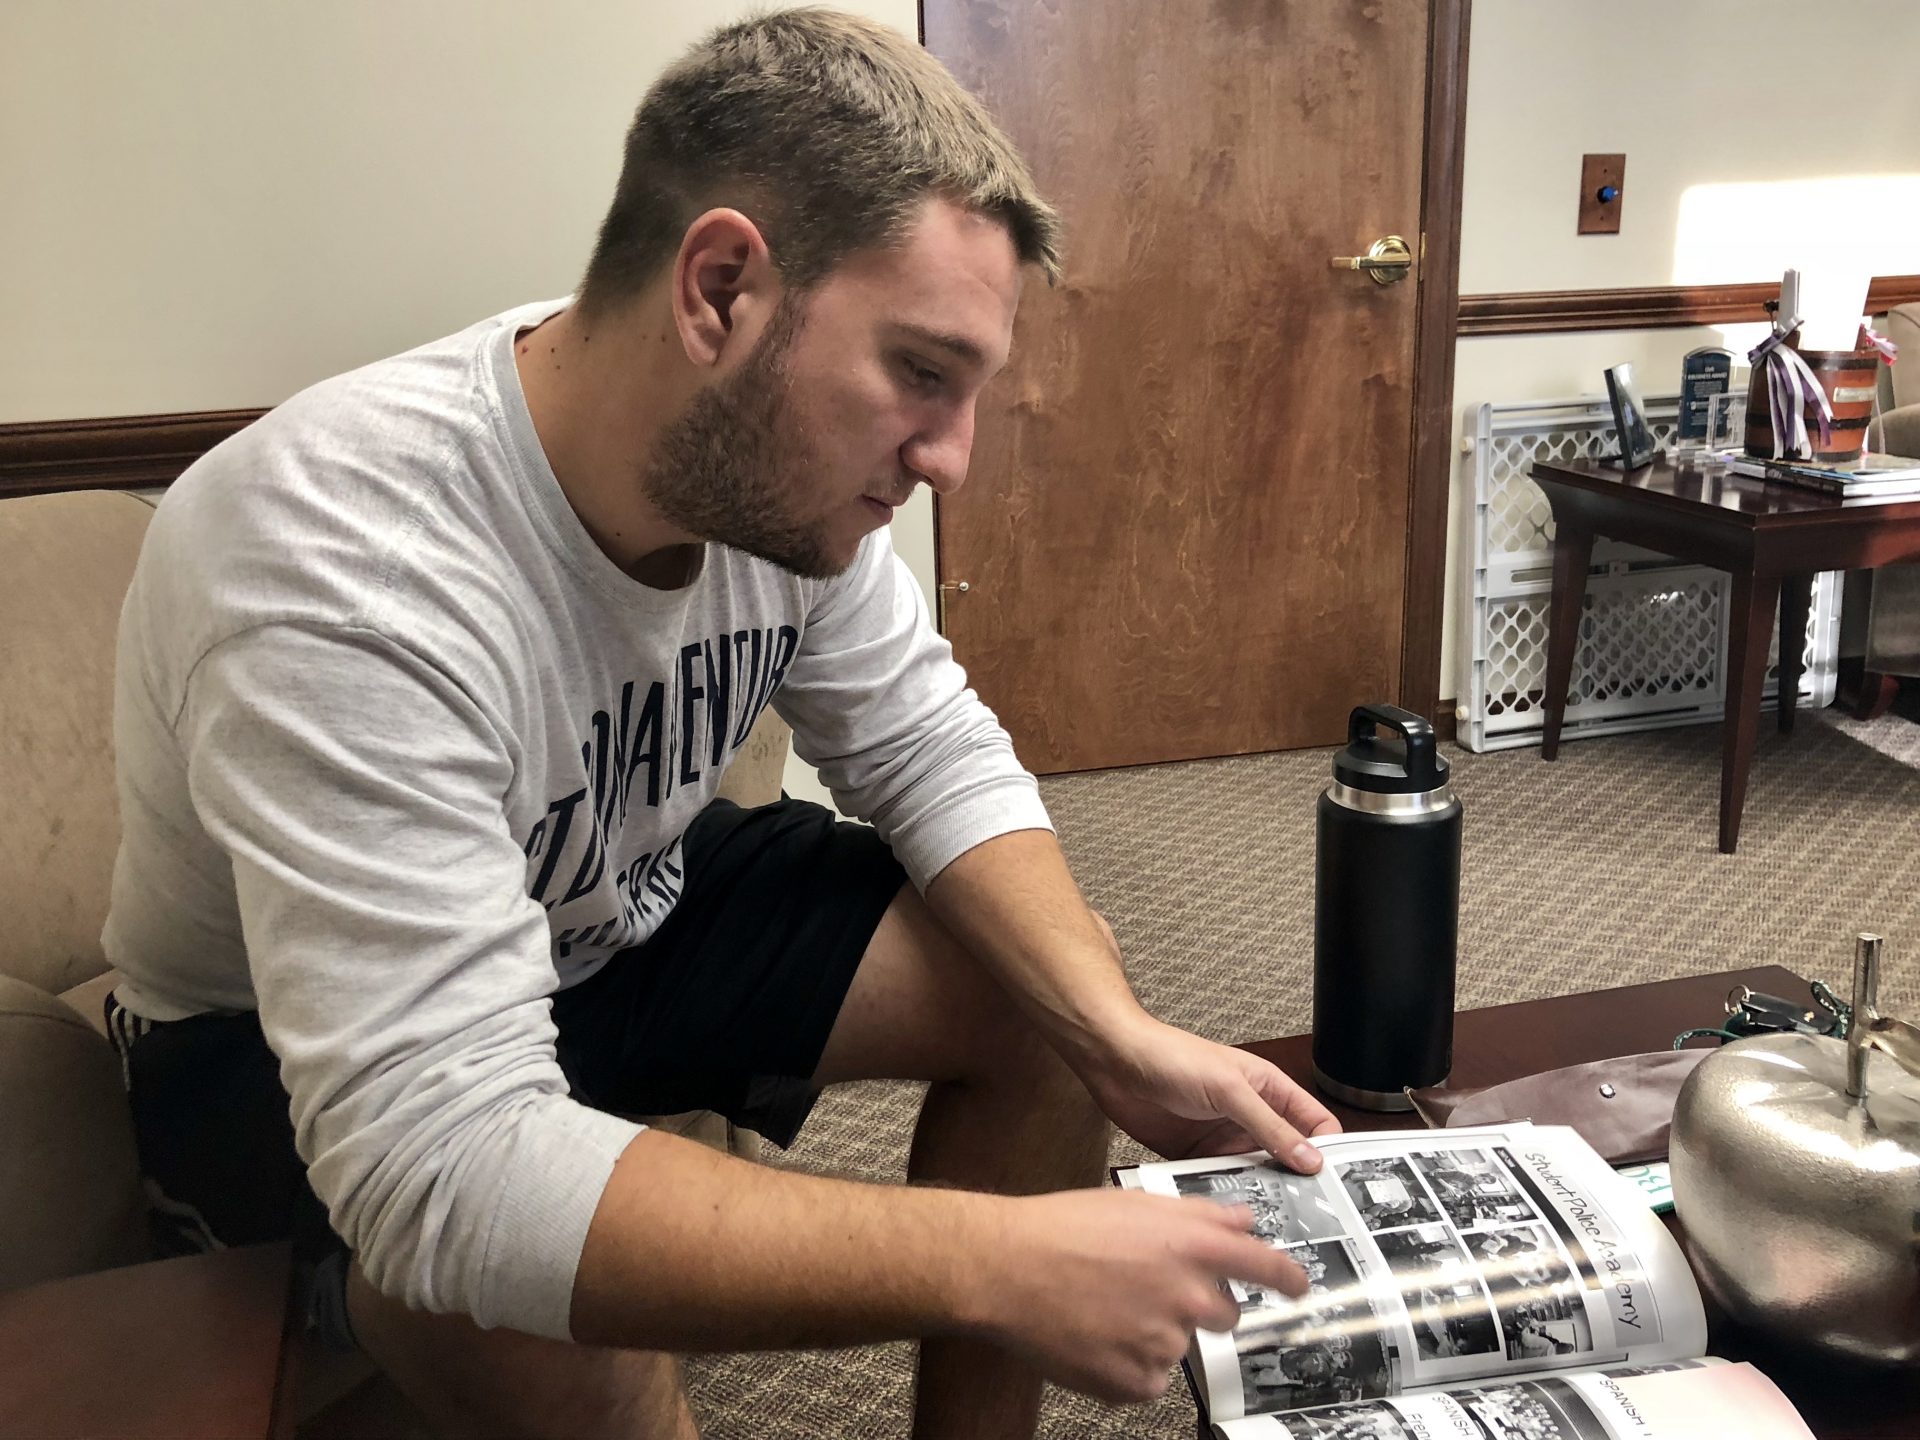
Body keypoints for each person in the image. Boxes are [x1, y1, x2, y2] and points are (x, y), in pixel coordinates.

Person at [100, 9, 1341, 1438]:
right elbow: (444, 1157)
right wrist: (997, 1261)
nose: (952, 462)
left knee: (1049, 994)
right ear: (720, 290)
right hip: (272, 1042)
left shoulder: (773, 489)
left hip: (608, 917)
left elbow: (926, 744)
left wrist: (1115, 1033)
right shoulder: (341, 559)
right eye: (921, 375)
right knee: (556, 1328)